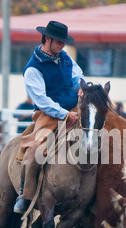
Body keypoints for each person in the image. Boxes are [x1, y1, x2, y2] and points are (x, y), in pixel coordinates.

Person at [13, 20, 84, 215]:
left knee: (99, 133)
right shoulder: (33, 68)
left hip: (74, 107)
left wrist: (83, 88)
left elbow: (78, 76)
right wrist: (64, 114)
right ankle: (24, 196)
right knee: (34, 153)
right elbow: (42, 100)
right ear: (47, 39)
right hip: (49, 115)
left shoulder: (66, 58)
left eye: (63, 42)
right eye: (59, 42)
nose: (62, 46)